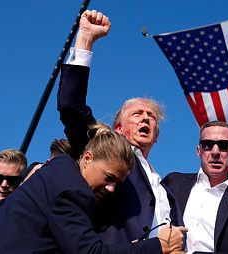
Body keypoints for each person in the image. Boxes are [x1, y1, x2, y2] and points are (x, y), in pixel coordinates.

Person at [0, 124, 187, 254]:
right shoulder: (70, 193)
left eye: (118, 183)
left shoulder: (59, 168)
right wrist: (158, 245)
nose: (112, 188)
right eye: (108, 177)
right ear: (86, 158)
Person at [58, 9, 184, 244]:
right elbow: (70, 107)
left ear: (157, 136)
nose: (145, 119)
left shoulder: (164, 188)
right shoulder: (106, 152)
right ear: (118, 128)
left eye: (151, 117)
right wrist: (85, 39)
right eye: (137, 114)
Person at [163, 121, 228, 253]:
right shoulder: (173, 183)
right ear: (198, 151)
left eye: (223, 145)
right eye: (207, 145)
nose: (215, 152)